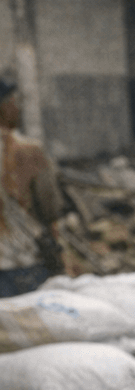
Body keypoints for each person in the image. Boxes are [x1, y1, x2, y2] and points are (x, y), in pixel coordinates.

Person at [0, 78, 63, 296]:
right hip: (23, 263)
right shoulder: (28, 150)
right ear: (5, 107)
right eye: (13, 101)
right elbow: (49, 210)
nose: (16, 107)